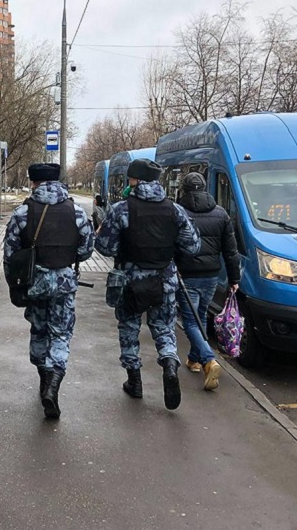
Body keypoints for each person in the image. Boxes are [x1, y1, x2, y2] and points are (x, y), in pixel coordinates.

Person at [95, 159, 200, 411]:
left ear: (135, 180)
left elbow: (105, 247)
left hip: (130, 281)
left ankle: (135, 381)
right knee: (164, 327)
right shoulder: (174, 210)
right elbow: (193, 247)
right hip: (165, 280)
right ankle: (169, 363)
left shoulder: (121, 209)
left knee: (129, 328)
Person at [3, 163, 94, 419]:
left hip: (34, 283)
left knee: (39, 329)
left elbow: (10, 254)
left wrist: (14, 283)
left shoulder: (23, 212)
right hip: (64, 282)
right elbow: (87, 249)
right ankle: (53, 384)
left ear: (33, 182)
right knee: (61, 334)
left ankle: (44, 378)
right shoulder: (76, 211)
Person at [175, 172, 240, 390]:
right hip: (211, 274)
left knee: (190, 320)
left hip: (187, 274)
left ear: (184, 189)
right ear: (205, 188)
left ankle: (208, 359)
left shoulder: (179, 212)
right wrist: (234, 278)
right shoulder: (221, 213)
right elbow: (231, 251)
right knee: (200, 315)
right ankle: (194, 360)